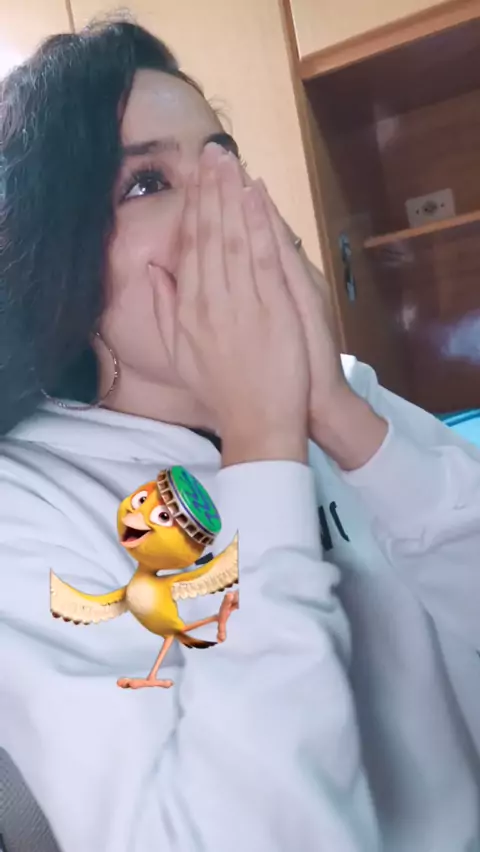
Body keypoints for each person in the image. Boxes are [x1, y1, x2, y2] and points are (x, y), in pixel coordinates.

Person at [0, 18, 479, 852]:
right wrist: (262, 441)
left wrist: (340, 418)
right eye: (147, 182)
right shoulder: (27, 502)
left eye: (224, 159)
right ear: (60, 255)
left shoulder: (344, 393)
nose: (232, 207)